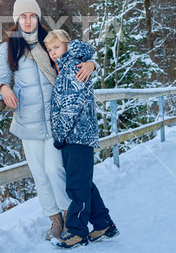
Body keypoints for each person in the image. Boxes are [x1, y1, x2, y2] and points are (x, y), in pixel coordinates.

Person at [0, 0, 98, 240]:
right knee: (39, 174)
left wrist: (92, 63)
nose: (28, 21)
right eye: (23, 17)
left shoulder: (49, 42)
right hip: (27, 121)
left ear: (38, 18)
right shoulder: (9, 47)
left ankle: (71, 218)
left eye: (32, 16)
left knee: (54, 169)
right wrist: (3, 88)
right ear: (17, 19)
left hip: (54, 120)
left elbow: (77, 55)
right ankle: (55, 221)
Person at [44, 29, 119, 249]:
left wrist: (60, 135)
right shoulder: (69, 66)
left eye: (56, 47)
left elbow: (70, 107)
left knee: (77, 185)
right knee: (83, 181)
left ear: (67, 45)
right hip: (75, 136)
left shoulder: (72, 69)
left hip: (76, 136)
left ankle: (76, 232)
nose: (53, 53)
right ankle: (103, 224)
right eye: (49, 50)